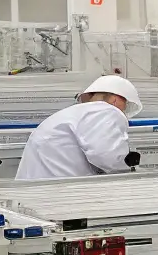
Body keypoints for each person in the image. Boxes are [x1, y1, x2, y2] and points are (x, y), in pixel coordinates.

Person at [16, 75, 144, 180]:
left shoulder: (75, 113)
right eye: (125, 105)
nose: (124, 111)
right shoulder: (106, 111)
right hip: (60, 192)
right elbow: (106, 155)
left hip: (37, 188)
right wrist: (128, 166)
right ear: (117, 99)